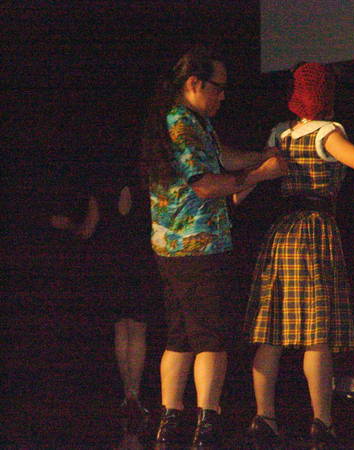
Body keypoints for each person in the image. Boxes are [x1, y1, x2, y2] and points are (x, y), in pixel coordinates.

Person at [243, 62, 354, 448]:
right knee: (316, 334)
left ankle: (264, 418)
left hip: (281, 235)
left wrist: (238, 190)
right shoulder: (326, 132)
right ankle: (321, 421)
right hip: (314, 233)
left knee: (271, 332)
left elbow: (254, 175)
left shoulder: (281, 133)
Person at [139, 44, 287, 448]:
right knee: (211, 338)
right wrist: (262, 174)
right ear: (194, 83)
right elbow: (205, 185)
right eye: (217, 88)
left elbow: (222, 157)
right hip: (199, 245)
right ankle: (207, 420)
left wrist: (259, 157)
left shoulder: (190, 120)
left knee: (180, 337)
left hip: (171, 247)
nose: (223, 96)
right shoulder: (182, 125)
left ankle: (170, 420)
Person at [50, 161, 160, 431]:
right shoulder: (150, 186)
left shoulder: (100, 189)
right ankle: (135, 395)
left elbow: (87, 230)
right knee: (138, 330)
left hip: (113, 264)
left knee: (121, 329)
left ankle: (128, 394)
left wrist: (68, 226)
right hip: (142, 262)